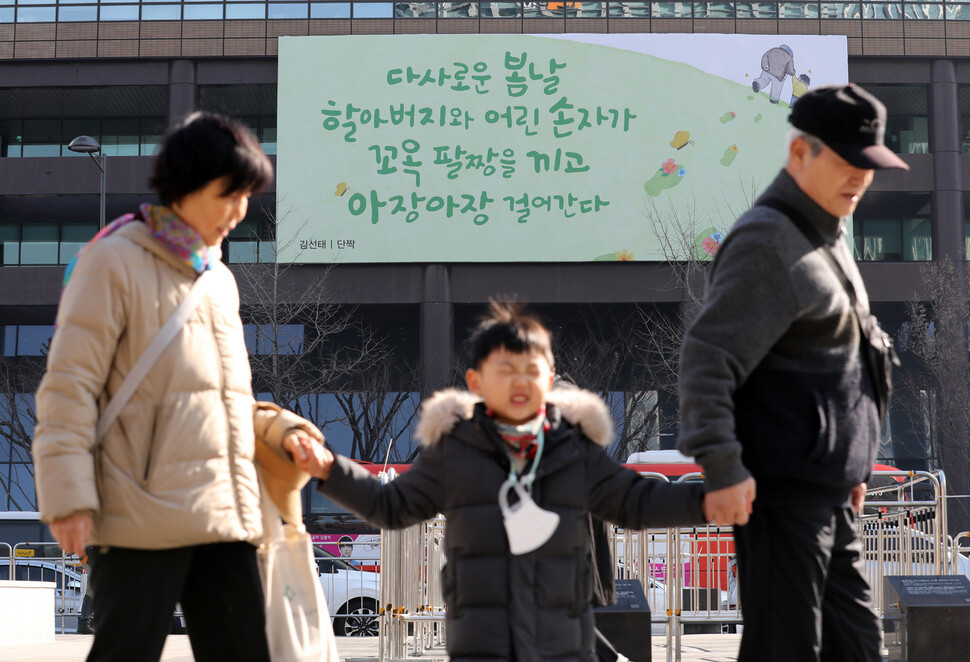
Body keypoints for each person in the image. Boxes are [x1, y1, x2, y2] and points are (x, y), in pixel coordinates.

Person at [32, 111, 323, 662]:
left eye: (247, 196)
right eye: (229, 194)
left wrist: (282, 430)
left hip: (224, 513)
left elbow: (226, 402)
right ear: (185, 184)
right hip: (137, 513)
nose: (240, 211)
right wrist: (68, 499)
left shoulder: (219, 279)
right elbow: (68, 389)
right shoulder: (111, 261)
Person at [287, 300, 710, 662]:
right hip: (480, 647)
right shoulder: (454, 452)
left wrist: (708, 501)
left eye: (532, 369)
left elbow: (637, 501)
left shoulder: (575, 450)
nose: (520, 381)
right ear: (476, 382)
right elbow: (390, 506)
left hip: (563, 647)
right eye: (506, 370)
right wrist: (329, 468)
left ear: (550, 379)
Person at [676, 84, 909, 662]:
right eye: (847, 161)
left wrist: (852, 467)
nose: (860, 177)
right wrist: (723, 467)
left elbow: (850, 367)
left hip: (827, 492)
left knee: (856, 647)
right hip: (781, 496)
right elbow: (707, 358)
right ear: (798, 153)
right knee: (787, 648)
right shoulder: (768, 239)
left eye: (870, 165)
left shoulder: (827, 235)